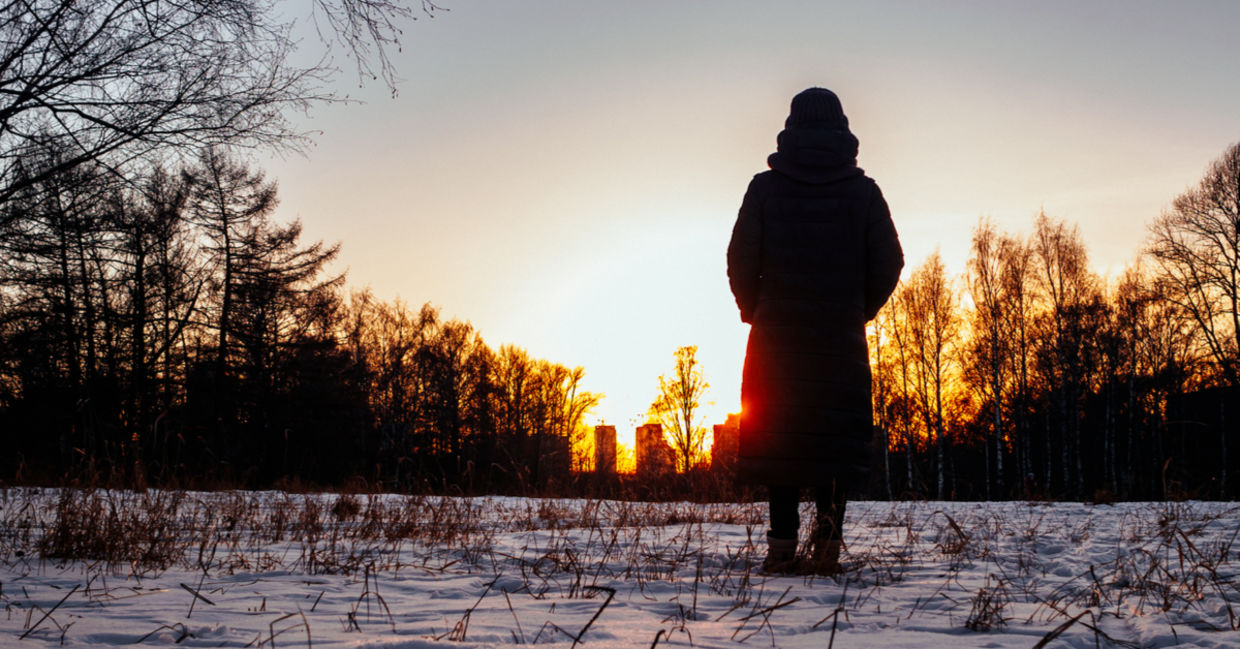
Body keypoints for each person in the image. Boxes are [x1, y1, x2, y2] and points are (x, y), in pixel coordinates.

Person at [727, 87, 903, 574]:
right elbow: (889, 262)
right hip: (838, 338)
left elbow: (740, 258)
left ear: (791, 127)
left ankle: (781, 550)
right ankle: (826, 551)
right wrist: (856, 310)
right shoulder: (863, 192)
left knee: (780, 437)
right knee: (834, 441)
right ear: (843, 128)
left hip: (775, 338)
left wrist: (755, 310)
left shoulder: (764, 188)